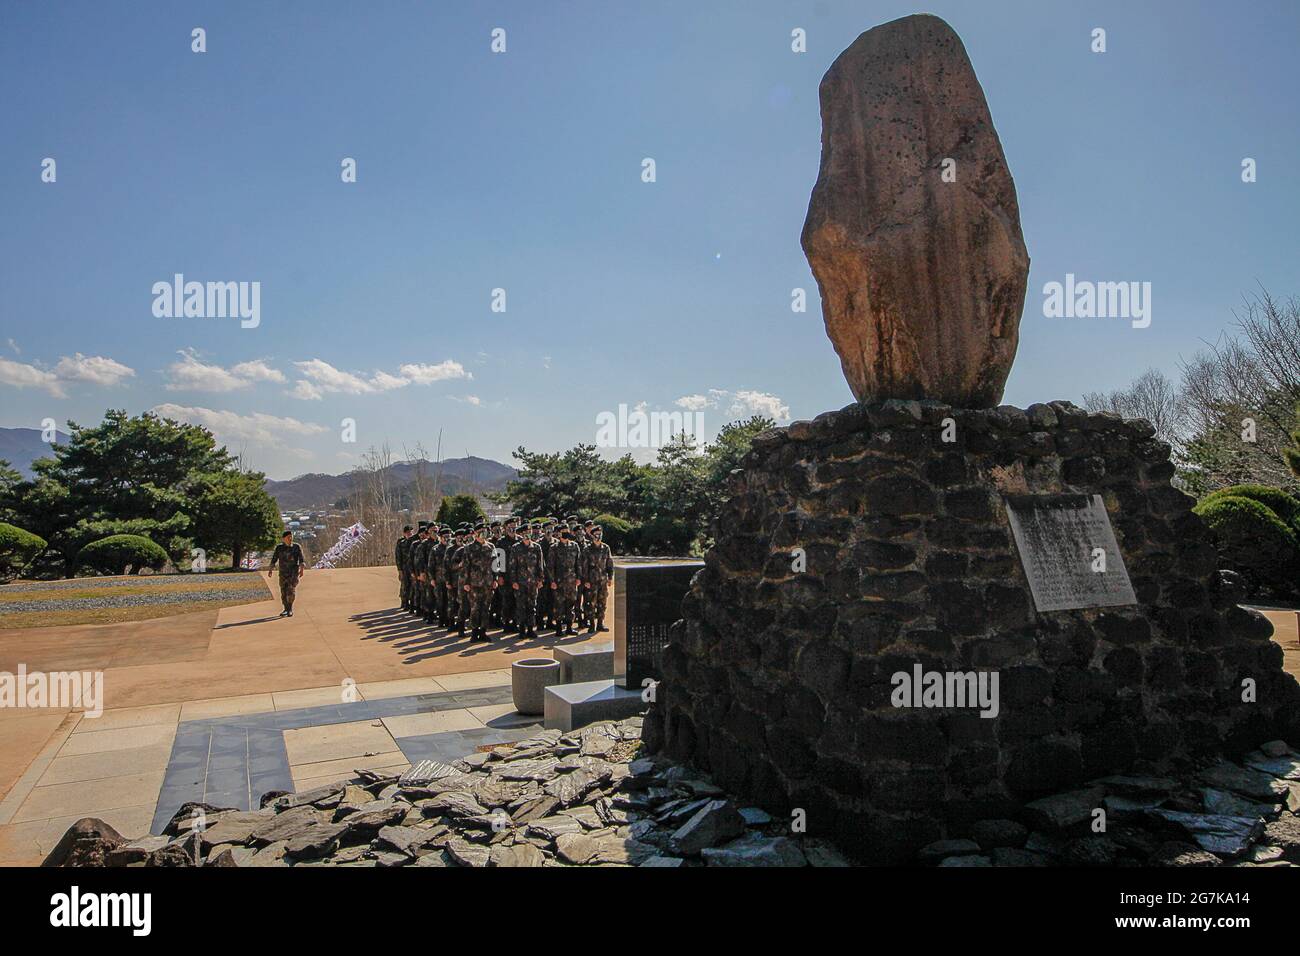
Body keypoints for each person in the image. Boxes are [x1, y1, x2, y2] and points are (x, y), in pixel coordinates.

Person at [462, 523, 497, 642]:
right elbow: (465, 566)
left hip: (487, 583)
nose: (483, 533)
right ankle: (474, 632)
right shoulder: (469, 547)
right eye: (481, 531)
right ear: (475, 533)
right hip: (474, 583)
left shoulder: (491, 546)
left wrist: (495, 579)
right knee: (475, 608)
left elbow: (495, 565)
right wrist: (466, 582)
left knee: (486, 608)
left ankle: (483, 631)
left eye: (485, 531)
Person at [546, 526, 582, 636]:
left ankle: (569, 627)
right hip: (559, 582)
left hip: (571, 581)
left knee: (570, 604)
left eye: (567, 532)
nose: (565, 534)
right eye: (563, 532)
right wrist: (552, 581)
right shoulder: (554, 547)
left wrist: (578, 578)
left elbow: (578, 564)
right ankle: (558, 628)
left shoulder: (574, 546)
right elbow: (550, 566)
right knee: (558, 605)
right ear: (559, 533)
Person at [510, 524, 544, 638]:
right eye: (525, 532)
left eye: (529, 532)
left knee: (532, 606)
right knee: (521, 606)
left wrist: (540, 579)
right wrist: (513, 581)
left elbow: (540, 565)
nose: (527, 534)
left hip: (533, 582)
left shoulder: (536, 547)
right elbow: (512, 566)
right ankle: (521, 630)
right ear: (521, 534)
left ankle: (530, 629)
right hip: (520, 582)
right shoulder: (516, 548)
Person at [580, 525, 614, 634]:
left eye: (600, 535)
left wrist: (610, 577)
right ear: (592, 536)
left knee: (602, 602)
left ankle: (600, 623)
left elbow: (609, 564)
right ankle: (591, 624)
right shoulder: (587, 549)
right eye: (596, 535)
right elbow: (584, 566)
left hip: (603, 580)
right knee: (591, 603)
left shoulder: (606, 548)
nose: (598, 537)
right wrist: (585, 580)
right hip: (591, 580)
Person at [268, 530, 306, 617]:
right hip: (283, 573)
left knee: (291, 591)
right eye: (288, 537)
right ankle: (285, 609)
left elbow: (301, 559)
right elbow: (274, 559)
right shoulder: (279, 548)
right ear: (283, 539)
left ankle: (290, 609)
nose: (290, 539)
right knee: (283, 591)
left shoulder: (296, 547)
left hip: (293, 573)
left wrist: (301, 569)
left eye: (291, 537)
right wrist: (270, 569)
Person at [395, 524, 414, 610]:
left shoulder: (414, 542)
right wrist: (400, 570)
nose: (409, 533)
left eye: (411, 532)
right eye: (408, 532)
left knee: (413, 585)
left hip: (413, 567)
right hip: (404, 567)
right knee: (405, 585)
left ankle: (412, 602)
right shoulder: (401, 543)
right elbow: (398, 557)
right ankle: (404, 601)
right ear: (404, 533)